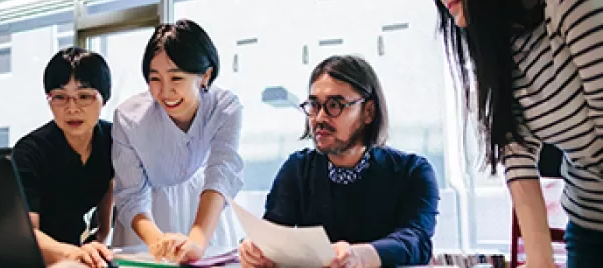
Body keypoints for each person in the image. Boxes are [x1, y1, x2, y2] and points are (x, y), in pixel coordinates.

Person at [437, 0, 603, 266]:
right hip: (588, 224)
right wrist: (539, 260)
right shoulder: (500, 46)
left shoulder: (569, 7)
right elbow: (516, 153)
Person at [238, 55, 439, 268]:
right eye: (314, 105)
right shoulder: (298, 169)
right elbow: (273, 234)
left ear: (368, 112)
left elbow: (417, 241)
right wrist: (255, 250)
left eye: (335, 105)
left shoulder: (412, 171)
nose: (320, 118)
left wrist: (360, 256)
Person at [111, 19, 244, 263]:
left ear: (205, 75)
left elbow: (220, 173)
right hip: (145, 220)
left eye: (176, 78)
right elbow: (131, 194)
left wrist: (196, 240)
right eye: (155, 79)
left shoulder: (225, 108)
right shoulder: (129, 117)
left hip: (204, 211)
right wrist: (157, 242)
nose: (165, 92)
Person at [12, 47, 114, 268]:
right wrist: (73, 254)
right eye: (60, 97)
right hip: (35, 255)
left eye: (84, 96)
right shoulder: (29, 152)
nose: (72, 108)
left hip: (76, 251)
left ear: (104, 99)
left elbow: (109, 183)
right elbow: (27, 234)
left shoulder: (113, 139)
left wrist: (102, 234)